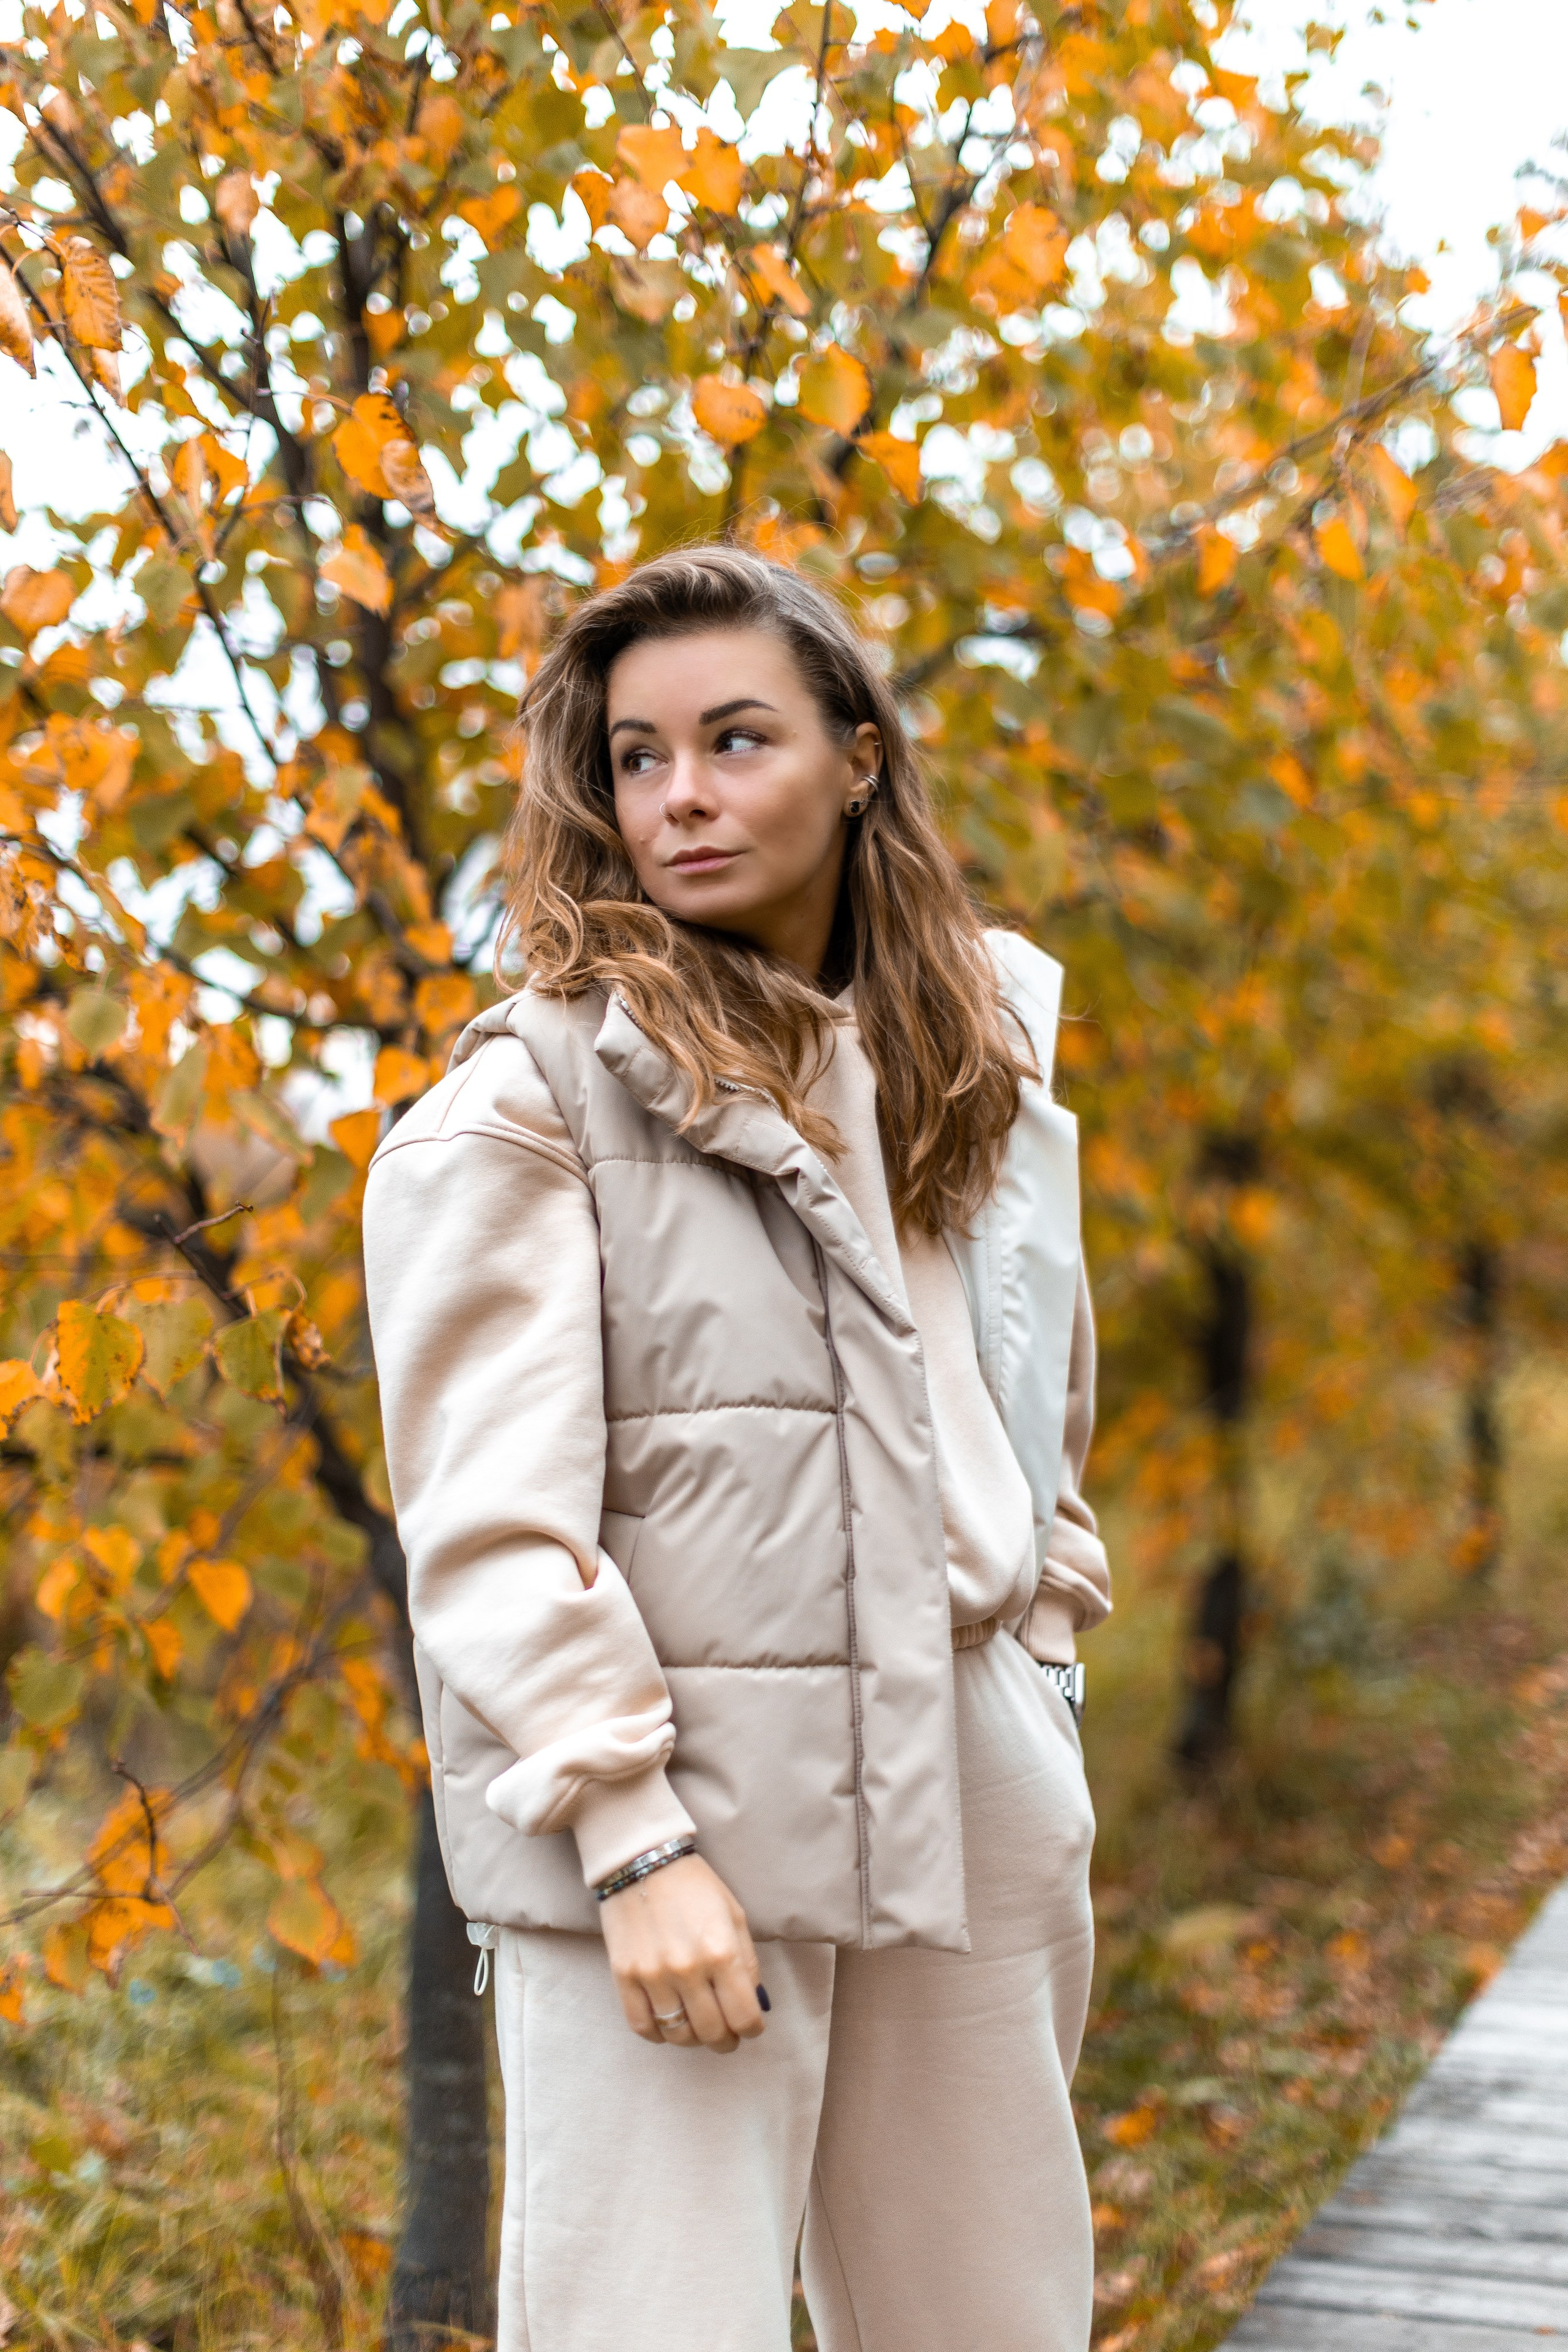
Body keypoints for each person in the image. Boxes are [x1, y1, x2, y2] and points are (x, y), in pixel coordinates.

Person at [362, 545, 1111, 2352]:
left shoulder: (980, 1064)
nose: (681, 796)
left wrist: (1046, 1671)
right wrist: (630, 1842)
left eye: (737, 738)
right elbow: (488, 1536)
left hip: (971, 1772)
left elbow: (1036, 1403)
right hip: (675, 1816)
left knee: (993, 2325)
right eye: (636, 756)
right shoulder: (532, 1098)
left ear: (860, 753)